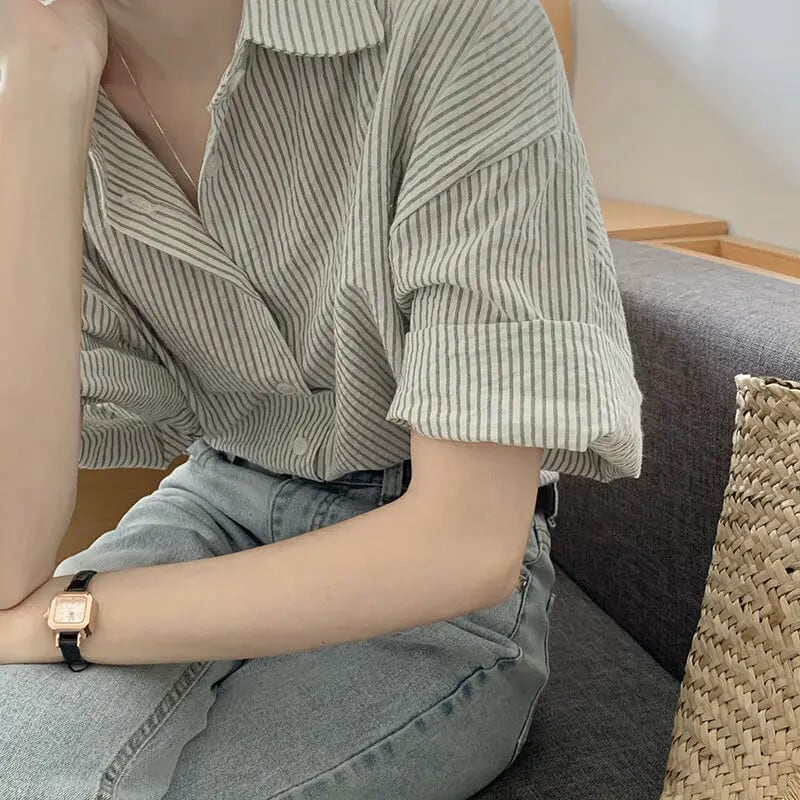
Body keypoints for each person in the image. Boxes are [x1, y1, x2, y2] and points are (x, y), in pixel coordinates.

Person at [0, 0, 643, 797]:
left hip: (428, 585)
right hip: (216, 500)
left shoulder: (452, 25)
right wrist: (38, 92)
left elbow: (466, 544)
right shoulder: (41, 72)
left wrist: (69, 619)